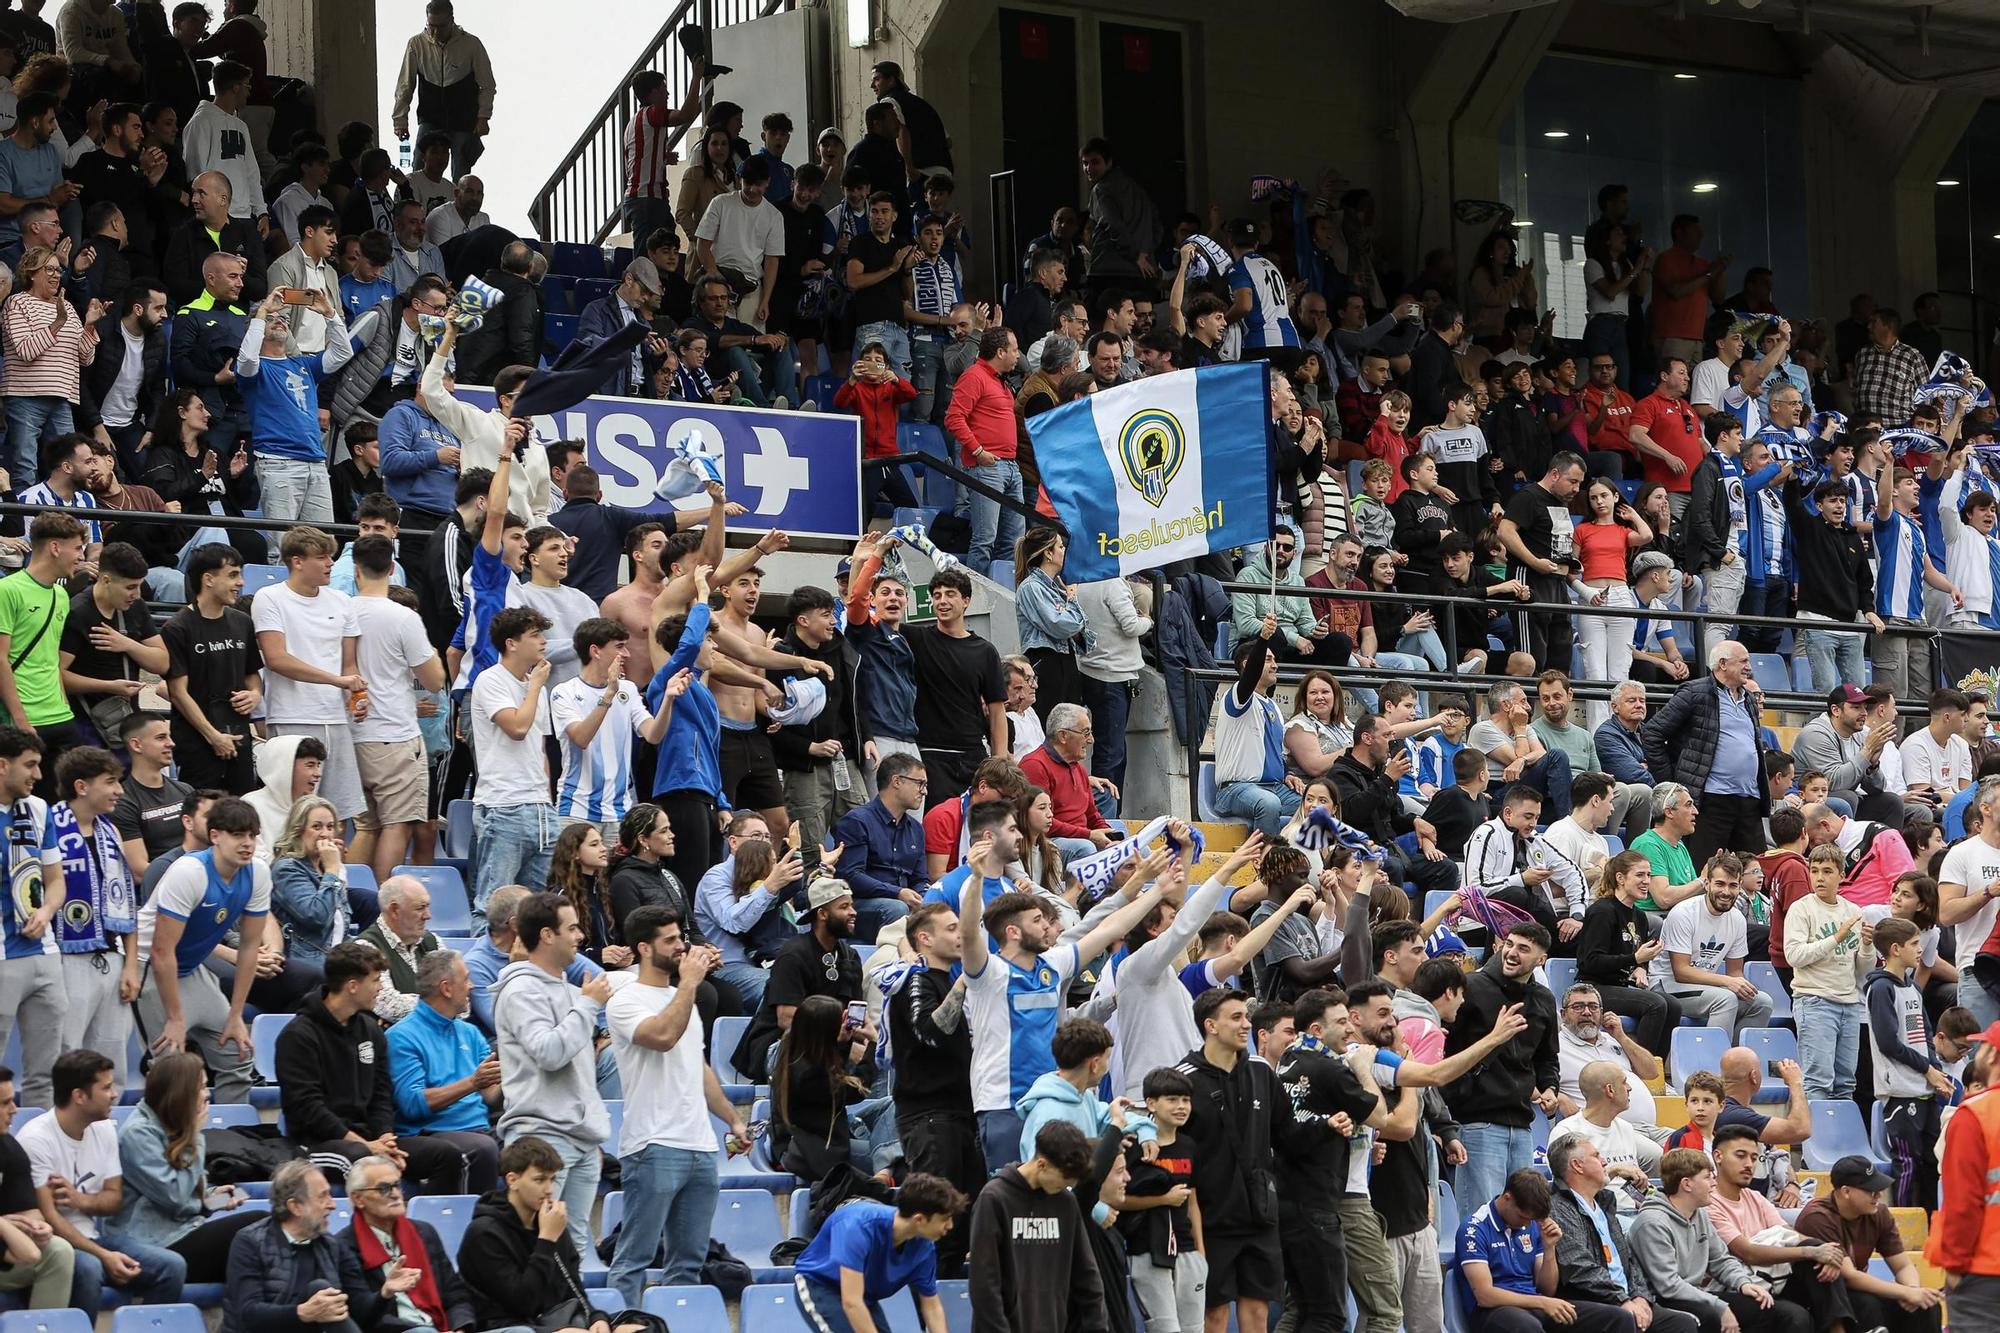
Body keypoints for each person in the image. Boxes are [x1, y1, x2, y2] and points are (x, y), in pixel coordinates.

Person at [964, 843, 1167, 1169]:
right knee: (1012, 1195)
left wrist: (1158, 890)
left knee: (1062, 1188)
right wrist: (975, 880)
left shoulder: (1053, 964)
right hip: (1004, 1103)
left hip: (1051, 1097)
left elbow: (1110, 928)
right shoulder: (989, 973)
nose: (1048, 927)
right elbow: (969, 937)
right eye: (1037, 921)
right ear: (1013, 931)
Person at [603, 904, 742, 1302]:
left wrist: (732, 1120)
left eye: (681, 937)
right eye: (671, 940)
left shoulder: (684, 1000)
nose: (682, 946)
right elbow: (662, 1036)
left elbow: (697, 1068)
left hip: (700, 1145)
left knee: (689, 1263)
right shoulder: (626, 999)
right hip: (653, 1144)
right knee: (634, 1258)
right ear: (644, 948)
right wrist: (688, 985)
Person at [275, 942, 470, 1193]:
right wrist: (367, 1146)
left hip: (369, 1139)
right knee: (361, 1162)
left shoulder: (371, 1031)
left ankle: (430, 1226)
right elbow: (308, 1109)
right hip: (315, 1145)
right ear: (353, 986)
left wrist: (385, 1138)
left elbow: (381, 1096)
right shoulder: (298, 1036)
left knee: (445, 1155)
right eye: (376, 981)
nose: (380, 989)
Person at [490, 891, 611, 1262]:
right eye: (571, 928)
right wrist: (589, 1006)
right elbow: (549, 1053)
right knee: (538, 1244)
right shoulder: (520, 990)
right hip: (541, 1136)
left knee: (573, 1250)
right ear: (546, 935)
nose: (579, 937)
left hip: (583, 1137)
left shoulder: (572, 990)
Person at [18, 1048, 185, 1303]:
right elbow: (50, 1219)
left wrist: (79, 1200)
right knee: (90, 1267)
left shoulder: (104, 1127)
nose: (115, 1094)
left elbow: (113, 1200)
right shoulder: (35, 1140)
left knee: (171, 1266)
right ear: (79, 1096)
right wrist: (105, 1256)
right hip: (54, 1247)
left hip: (94, 1239)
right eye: (106, 1088)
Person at [132, 794, 265, 1102]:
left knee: (238, 1054)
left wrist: (235, 1015)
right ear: (215, 836)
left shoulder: (258, 873)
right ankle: (167, 1144)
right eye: (237, 835)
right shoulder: (188, 871)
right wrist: (176, 1019)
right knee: (171, 1067)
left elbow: (248, 949)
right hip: (147, 969)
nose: (247, 843)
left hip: (190, 969)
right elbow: (161, 952)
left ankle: (228, 1140)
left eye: (252, 835)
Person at [111, 1051, 261, 1285]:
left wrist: (211, 1198)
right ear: (181, 1093)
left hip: (182, 1232)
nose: (206, 1094)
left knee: (254, 1258)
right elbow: (178, 1199)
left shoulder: (172, 1123)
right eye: (201, 1087)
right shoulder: (138, 1134)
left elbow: (186, 1195)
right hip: (154, 1245)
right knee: (258, 1223)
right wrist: (195, 1135)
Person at [253, 526, 366, 826]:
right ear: (296, 561)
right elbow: (276, 659)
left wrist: (356, 696)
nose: (330, 563)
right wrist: (336, 681)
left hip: (337, 721)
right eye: (321, 557)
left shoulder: (342, 602)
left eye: (330, 556)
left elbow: (349, 665)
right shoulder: (269, 597)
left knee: (336, 817)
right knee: (295, 816)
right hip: (292, 717)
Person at [1445, 922, 1560, 1214]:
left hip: (1522, 1125)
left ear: (1541, 959)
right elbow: (1447, 1050)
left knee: (1523, 1217)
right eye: (1509, 944)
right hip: (1477, 1121)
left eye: (1523, 948)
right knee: (1481, 1218)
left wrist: (1550, 1087)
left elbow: (1547, 1057)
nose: (1512, 952)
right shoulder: (1471, 987)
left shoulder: (1544, 999)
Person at [1626, 1148, 1806, 1333]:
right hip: (1662, 1299)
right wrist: (1719, 1306)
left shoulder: (1699, 1214)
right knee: (1711, 1315)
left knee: (1758, 1305)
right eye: (1707, 1177)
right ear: (1687, 1184)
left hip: (1693, 1294)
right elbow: (1668, 1285)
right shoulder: (1653, 1223)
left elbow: (1720, 1259)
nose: (1714, 1183)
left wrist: (1744, 1283)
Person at [1546, 1135, 1699, 1333]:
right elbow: (1578, 1266)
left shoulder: (1604, 1202)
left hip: (1624, 1299)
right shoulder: (1558, 1208)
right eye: (1597, 1156)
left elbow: (1628, 1259)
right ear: (1577, 1165)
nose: (1605, 1161)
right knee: (1622, 1319)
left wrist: (1640, 1297)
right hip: (1592, 1302)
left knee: (1681, 1324)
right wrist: (1622, 1299)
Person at [966, 1120, 1107, 1333]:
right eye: (1064, 1179)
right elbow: (984, 1284)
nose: (1066, 1186)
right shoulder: (994, 1199)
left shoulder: (1066, 1203)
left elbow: (1086, 1275)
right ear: (1042, 1164)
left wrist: (1097, 1326)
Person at [1456, 1166, 1634, 1333]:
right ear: (1507, 1198)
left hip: (1534, 1304)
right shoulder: (1474, 1229)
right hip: (1494, 1311)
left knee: (1618, 1318)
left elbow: (1547, 1289)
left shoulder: (1532, 1223)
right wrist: (1542, 1302)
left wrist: (1549, 1249)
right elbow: (1485, 1295)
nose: (1527, 1224)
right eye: (1523, 1217)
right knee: (1527, 1327)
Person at [383, 948, 502, 1195]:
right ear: (446, 988)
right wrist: (472, 1082)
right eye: (466, 979)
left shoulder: (469, 1032)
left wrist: (515, 1072)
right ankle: (472, 1227)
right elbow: (413, 1104)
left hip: (480, 1128)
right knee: (482, 1148)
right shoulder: (402, 1037)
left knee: (535, 1143)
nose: (472, 985)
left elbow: (491, 1096)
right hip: (432, 1133)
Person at [221, 1161, 384, 1333]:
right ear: (296, 1206)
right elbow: (247, 1315)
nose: (333, 1205)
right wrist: (303, 1312)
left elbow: (359, 1312)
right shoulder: (250, 1241)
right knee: (320, 1289)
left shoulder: (332, 1245)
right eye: (323, 1196)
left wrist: (385, 1294)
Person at [336, 1154, 486, 1333]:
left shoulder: (424, 1232)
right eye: (383, 1188)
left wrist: (460, 1328)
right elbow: (360, 1315)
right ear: (358, 1199)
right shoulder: (345, 1245)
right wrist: (385, 1294)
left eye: (397, 1185)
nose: (395, 1194)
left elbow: (456, 1295)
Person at [794, 1172, 961, 1333]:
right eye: (945, 1219)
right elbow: (851, 1302)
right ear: (919, 1219)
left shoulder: (924, 1246)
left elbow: (931, 1306)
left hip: (863, 1296)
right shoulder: (858, 1226)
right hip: (820, 1286)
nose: (950, 1226)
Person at [1865, 915, 1952, 1209]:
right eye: (1914, 944)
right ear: (1894, 949)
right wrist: (1927, 1068)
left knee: (1932, 1164)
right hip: (1901, 1092)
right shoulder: (1880, 989)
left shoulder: (1912, 987)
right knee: (1908, 1165)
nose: (1920, 949)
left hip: (1924, 1089)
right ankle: (1904, 1227)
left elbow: (1926, 1035)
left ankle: (1931, 1228)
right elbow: (1888, 1042)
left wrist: (1936, 1072)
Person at [1648, 852, 1772, 1037]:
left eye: (1733, 885)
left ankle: (1737, 1060)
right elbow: (1681, 972)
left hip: (1704, 986)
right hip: (1666, 984)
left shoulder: (1737, 918)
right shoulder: (1684, 913)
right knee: (1726, 1000)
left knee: (1762, 1002)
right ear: (1707, 884)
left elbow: (1735, 972)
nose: (1726, 892)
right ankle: (1714, 1062)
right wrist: (1728, 982)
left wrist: (1741, 985)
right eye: (1720, 884)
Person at [0, 515, 84, 776]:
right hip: (23, 720)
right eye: (78, 548)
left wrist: (65, 705)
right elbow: (0, 659)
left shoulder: (61, 595)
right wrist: (21, 721)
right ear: (55, 548)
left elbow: (51, 656)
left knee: (61, 807)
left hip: (60, 716)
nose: (82, 556)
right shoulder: (7, 590)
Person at [1575, 854, 1679, 1058]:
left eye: (1649, 875)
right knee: (1655, 1004)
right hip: (1593, 986)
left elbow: (1639, 956)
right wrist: (1635, 960)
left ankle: (1655, 1068)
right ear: (1620, 878)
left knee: (1673, 1005)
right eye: (1640, 875)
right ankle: (1641, 1068)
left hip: (1621, 985)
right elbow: (1590, 962)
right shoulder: (1602, 911)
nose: (1647, 881)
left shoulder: (1639, 916)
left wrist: (1641, 967)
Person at [1786, 843, 1869, 1099]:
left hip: (1850, 1003)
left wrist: (1867, 947)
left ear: (1842, 875)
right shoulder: (1801, 908)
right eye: (1814, 870)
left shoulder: (1853, 911)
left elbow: (1862, 970)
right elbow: (1794, 955)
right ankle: (1815, 1140)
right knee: (1818, 1082)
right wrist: (1836, 937)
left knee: (1846, 1084)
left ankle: (1839, 1140)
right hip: (1814, 1001)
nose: (1819, 877)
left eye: (1827, 871)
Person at [943, 327, 1025, 576]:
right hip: (987, 467)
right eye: (1014, 350)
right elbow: (953, 418)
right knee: (984, 540)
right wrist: (978, 451)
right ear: (1000, 352)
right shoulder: (974, 376)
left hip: (1010, 466)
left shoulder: (998, 379)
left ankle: (1003, 594)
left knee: (1013, 543)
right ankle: (970, 597)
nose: (1017, 355)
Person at [390, 0, 494, 176]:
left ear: (452, 20)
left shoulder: (471, 44)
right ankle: (416, 202)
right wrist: (400, 120)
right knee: (419, 163)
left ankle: (458, 202)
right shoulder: (416, 44)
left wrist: (483, 117)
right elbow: (405, 85)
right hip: (430, 115)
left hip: (463, 117)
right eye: (431, 26)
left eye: (441, 26)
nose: (436, 32)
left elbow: (487, 84)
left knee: (461, 168)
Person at [1549, 1061, 1660, 1210]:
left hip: (1630, 1213)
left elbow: (1628, 1188)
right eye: (1624, 1082)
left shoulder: (1625, 1129)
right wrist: (1613, 1171)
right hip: (1592, 1216)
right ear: (1610, 1090)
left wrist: (1651, 1198)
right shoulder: (1566, 1131)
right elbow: (1566, 1188)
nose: (1629, 1088)